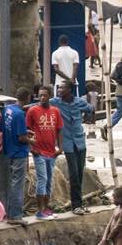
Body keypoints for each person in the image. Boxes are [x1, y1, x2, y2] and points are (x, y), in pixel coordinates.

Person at [50, 81, 93, 215]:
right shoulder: (56, 102)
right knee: (73, 173)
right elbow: (40, 104)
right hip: (67, 143)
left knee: (80, 173)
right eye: (59, 88)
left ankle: (79, 202)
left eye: (62, 88)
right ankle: (76, 205)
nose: (59, 90)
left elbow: (91, 108)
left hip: (80, 141)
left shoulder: (79, 102)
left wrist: (88, 115)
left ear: (70, 90)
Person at [24, 87, 62, 220]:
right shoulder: (33, 110)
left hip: (51, 152)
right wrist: (31, 148)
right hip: (38, 152)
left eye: (45, 96)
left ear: (50, 96)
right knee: (42, 179)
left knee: (49, 181)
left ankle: (46, 208)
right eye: (40, 96)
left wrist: (60, 148)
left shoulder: (55, 111)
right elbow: (26, 130)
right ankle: (40, 211)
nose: (42, 98)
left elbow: (59, 130)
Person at [1, 88, 34, 223]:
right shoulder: (20, 114)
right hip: (18, 152)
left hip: (8, 150)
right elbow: (21, 138)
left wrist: (25, 131)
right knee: (17, 185)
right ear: (27, 98)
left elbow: (3, 128)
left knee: (10, 184)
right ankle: (15, 216)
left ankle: (9, 214)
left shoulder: (8, 109)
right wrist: (32, 141)